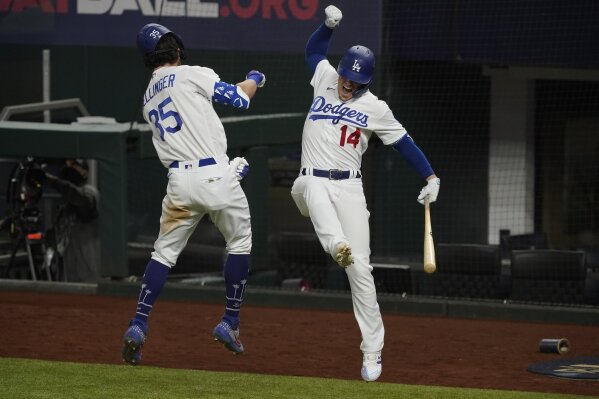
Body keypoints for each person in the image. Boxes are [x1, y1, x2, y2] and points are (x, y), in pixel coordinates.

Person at [290, 5, 440, 382]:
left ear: (365, 83)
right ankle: (335, 242)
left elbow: (404, 143)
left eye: (356, 82)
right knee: (310, 188)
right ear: (340, 71)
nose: (347, 84)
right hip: (311, 182)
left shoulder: (375, 107)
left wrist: (430, 176)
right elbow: (312, 52)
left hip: (349, 187)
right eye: (346, 78)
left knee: (361, 271)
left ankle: (372, 352)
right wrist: (327, 26)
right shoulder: (325, 78)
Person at [121, 23, 265, 366]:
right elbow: (239, 98)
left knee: (163, 254)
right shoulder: (190, 73)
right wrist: (255, 78)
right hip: (214, 175)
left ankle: (138, 323)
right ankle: (230, 321)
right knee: (240, 243)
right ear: (176, 50)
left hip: (179, 183)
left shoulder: (147, 98)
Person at [44, 159, 100, 282]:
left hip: (90, 278)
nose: (68, 167)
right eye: (66, 164)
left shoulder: (90, 192)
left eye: (73, 164)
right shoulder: (65, 207)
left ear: (84, 172)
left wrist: (54, 182)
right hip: (69, 279)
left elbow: (81, 200)